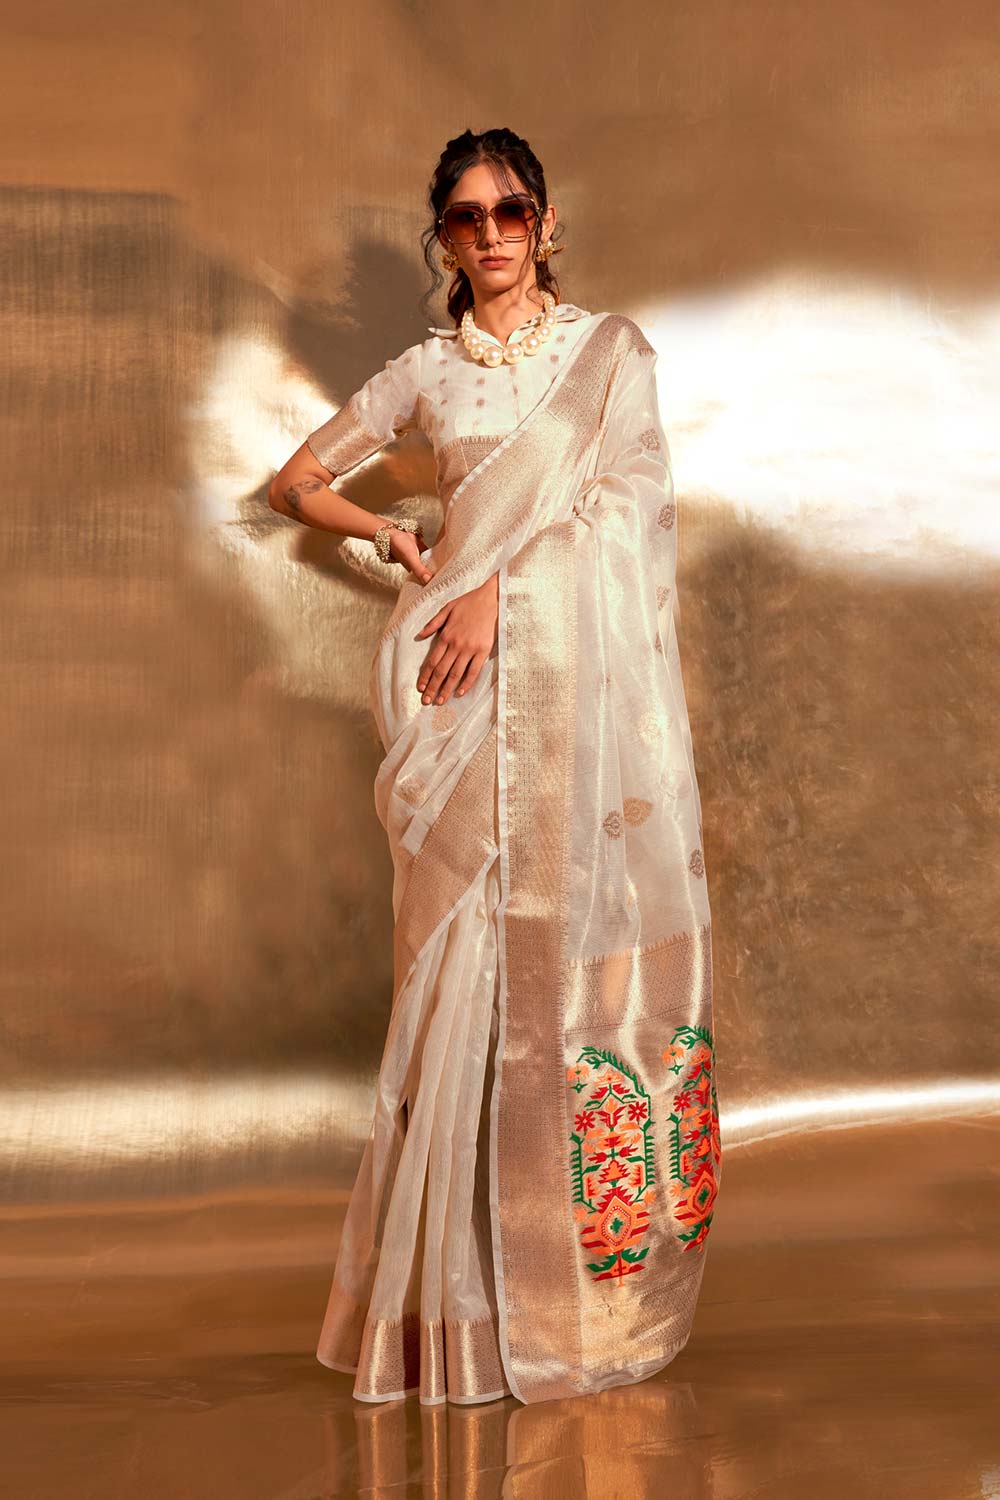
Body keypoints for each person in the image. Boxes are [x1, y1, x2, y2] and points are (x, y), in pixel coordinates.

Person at [269, 126, 720, 1408]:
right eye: (465, 218)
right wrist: (396, 545)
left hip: (553, 680)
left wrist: (504, 592)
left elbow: (628, 503)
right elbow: (297, 483)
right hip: (449, 690)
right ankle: (447, 1304)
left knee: (542, 969)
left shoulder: (608, 355)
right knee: (451, 979)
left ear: (546, 221)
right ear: (444, 240)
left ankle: (559, 1299)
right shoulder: (423, 374)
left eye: (509, 210)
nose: (490, 235)